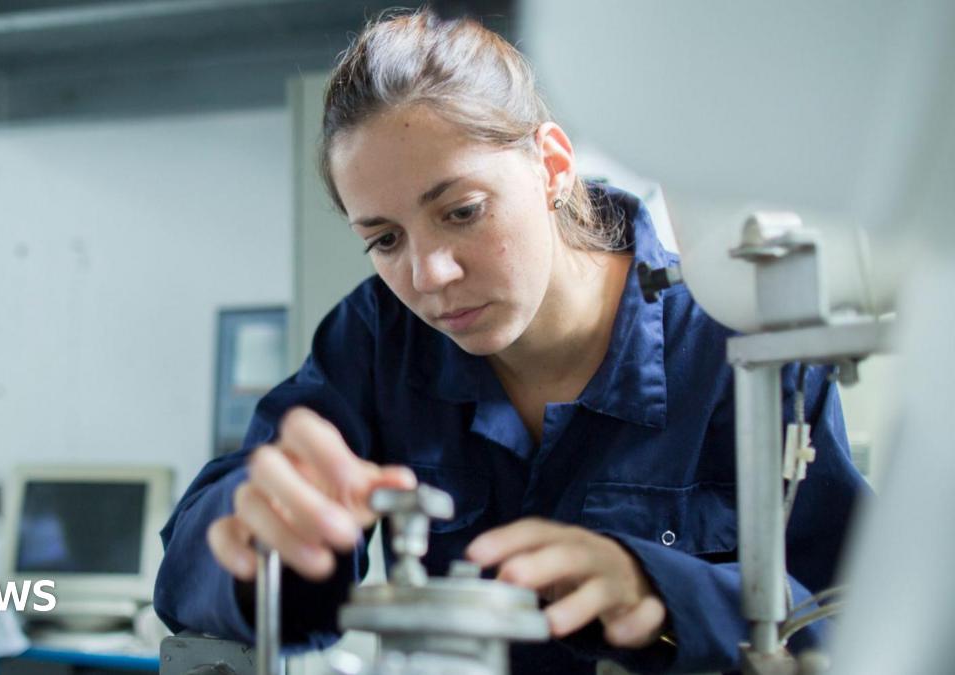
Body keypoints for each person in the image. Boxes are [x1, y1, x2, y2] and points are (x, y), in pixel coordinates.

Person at [154, 8, 867, 673]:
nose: (429, 273)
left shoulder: (734, 342)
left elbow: (861, 616)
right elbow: (193, 566)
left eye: (462, 211)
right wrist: (260, 534)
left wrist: (664, 594)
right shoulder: (378, 339)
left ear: (552, 165)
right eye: (384, 239)